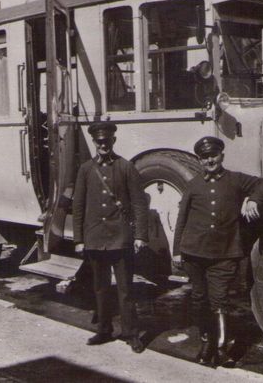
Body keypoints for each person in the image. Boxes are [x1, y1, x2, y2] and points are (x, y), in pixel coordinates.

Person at [174, 136, 263, 367]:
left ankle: (220, 349)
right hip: (194, 254)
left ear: (221, 155)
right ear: (199, 160)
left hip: (224, 254)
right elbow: (182, 219)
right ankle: (206, 343)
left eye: (213, 155)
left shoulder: (235, 180)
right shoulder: (194, 184)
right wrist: (177, 251)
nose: (209, 160)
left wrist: (253, 199)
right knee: (200, 300)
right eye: (204, 157)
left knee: (219, 301)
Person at [73, 122, 149, 353]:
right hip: (95, 238)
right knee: (100, 288)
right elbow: (78, 205)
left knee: (126, 290)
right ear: (94, 143)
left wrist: (140, 236)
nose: (103, 145)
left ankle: (131, 334)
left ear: (113, 141)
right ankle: (104, 330)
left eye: (107, 141)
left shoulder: (125, 167)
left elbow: (138, 203)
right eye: (99, 141)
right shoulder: (86, 169)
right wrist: (78, 239)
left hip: (121, 238)